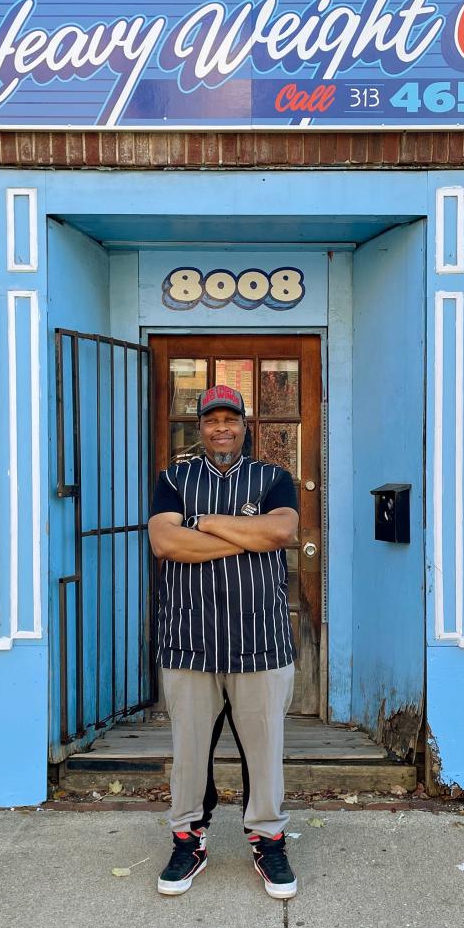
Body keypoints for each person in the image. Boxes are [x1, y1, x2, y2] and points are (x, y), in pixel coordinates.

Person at [148, 383, 300, 899]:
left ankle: (268, 839)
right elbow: (166, 541)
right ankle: (188, 838)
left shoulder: (275, 478)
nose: (221, 428)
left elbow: (278, 534)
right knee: (189, 752)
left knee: (264, 751)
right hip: (189, 638)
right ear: (200, 426)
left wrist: (207, 524)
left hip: (261, 637)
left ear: (243, 425)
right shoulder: (173, 478)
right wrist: (243, 532)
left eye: (230, 419)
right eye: (211, 420)